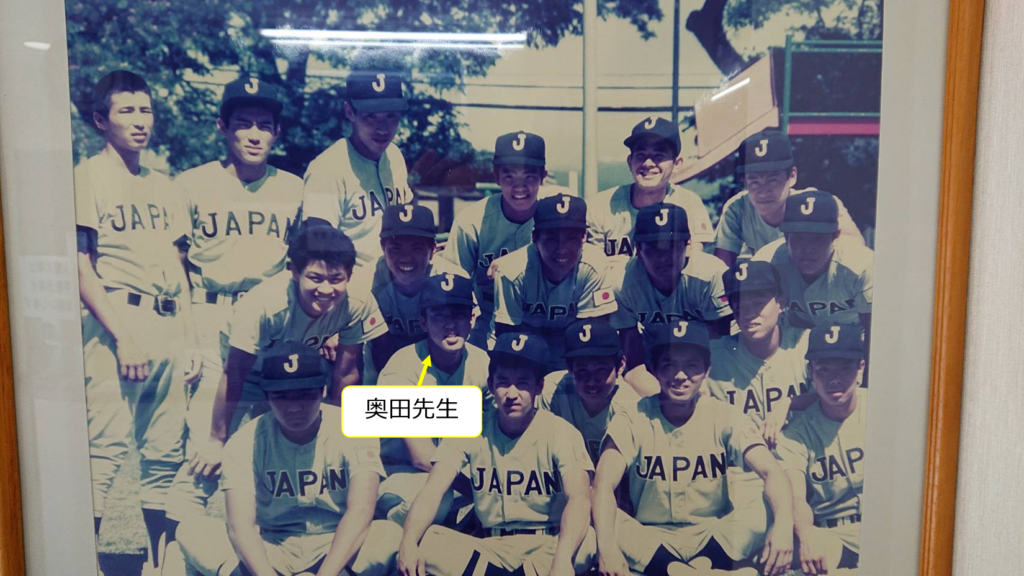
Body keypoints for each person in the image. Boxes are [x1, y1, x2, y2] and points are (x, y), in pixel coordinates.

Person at [165, 75, 303, 540]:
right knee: (205, 444)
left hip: (271, 324)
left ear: (277, 132)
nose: (254, 134)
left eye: (264, 124)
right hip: (210, 313)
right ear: (223, 127)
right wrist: (188, 339)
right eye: (243, 123)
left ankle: (264, 552)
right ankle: (174, 558)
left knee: (271, 443)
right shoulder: (192, 183)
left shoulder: (293, 187)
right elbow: (176, 265)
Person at [74, 70, 199, 574]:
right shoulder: (86, 176)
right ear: (100, 120)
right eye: (126, 111)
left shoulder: (164, 184)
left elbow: (178, 267)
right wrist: (123, 338)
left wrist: (191, 340)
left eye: (145, 109)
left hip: (167, 319)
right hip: (116, 319)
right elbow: (81, 267)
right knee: (104, 447)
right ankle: (80, 561)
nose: (139, 120)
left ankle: (157, 562)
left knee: (165, 453)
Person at [186, 224, 387, 513]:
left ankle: (274, 530)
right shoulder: (265, 303)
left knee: (283, 461)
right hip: (233, 372)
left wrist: (339, 428)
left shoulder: (357, 301)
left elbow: (347, 371)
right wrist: (218, 439)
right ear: (294, 271)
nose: (326, 289)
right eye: (315, 278)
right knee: (202, 463)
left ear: (350, 275)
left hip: (288, 382)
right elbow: (234, 373)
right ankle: (177, 535)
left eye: (336, 279)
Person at [176, 342, 402, 576]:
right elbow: (240, 526)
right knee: (193, 531)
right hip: (273, 547)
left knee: (388, 533)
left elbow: (360, 511)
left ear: (323, 390)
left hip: (336, 542)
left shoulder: (354, 429)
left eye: (305, 394)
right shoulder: (245, 441)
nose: (294, 407)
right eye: (282, 396)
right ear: (266, 397)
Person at [591, 321, 795, 576]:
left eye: (691, 366)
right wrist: (607, 548)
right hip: (650, 536)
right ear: (654, 369)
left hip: (714, 534)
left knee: (767, 506)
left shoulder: (724, 414)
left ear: (707, 370)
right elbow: (603, 484)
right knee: (601, 512)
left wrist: (784, 526)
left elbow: (772, 471)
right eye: (669, 365)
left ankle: (679, 570)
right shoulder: (632, 417)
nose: (680, 375)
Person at [397, 333, 597, 576]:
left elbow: (579, 498)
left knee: (587, 541)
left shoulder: (561, 432)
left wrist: (562, 560)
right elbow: (433, 490)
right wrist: (408, 542)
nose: (512, 394)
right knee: (428, 541)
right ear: (491, 385)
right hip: (490, 547)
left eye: (522, 383)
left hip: (547, 544)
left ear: (539, 387)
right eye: (503, 382)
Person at [375, 272, 491, 525]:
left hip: (457, 472)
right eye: (439, 315)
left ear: (472, 319)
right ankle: (385, 527)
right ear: (423, 322)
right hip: (402, 474)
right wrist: (481, 490)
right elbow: (421, 455)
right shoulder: (402, 368)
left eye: (458, 314)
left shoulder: (482, 363)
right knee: (438, 497)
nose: (451, 324)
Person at [442, 131, 551, 349]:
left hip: (544, 318)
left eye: (529, 176)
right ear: (496, 176)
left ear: (543, 176)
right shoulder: (471, 221)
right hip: (485, 316)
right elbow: (453, 283)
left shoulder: (555, 215)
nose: (519, 187)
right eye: (509, 176)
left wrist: (514, 261)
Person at [610, 204, 731, 396]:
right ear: (638, 250)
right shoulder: (621, 283)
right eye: (652, 248)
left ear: (688, 246)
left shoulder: (712, 275)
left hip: (706, 366)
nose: (663, 258)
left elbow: (721, 349)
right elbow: (634, 364)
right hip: (655, 362)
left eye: (671, 247)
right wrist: (664, 398)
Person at [777, 324, 867, 575]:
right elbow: (796, 497)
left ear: (861, 367)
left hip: (884, 526)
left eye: (844, 368)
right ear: (810, 372)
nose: (834, 379)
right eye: (824, 370)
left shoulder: (882, 409)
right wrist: (807, 534)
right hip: (833, 534)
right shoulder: (796, 433)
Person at [301, 70, 413, 272]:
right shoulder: (327, 168)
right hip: (353, 281)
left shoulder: (394, 155)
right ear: (349, 112)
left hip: (396, 279)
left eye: (391, 116)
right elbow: (318, 248)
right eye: (370, 116)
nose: (382, 128)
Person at [493, 194, 618, 372]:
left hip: (570, 350)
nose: (562, 249)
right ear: (535, 238)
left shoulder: (594, 265)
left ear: (584, 237)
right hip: (524, 348)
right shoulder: (512, 271)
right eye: (551, 238)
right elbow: (508, 339)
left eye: (571, 238)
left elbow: (592, 338)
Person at [713, 130, 863, 267]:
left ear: (791, 176)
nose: (763, 191)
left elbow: (857, 251)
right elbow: (721, 269)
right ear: (744, 183)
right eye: (754, 181)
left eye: (772, 180)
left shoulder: (817, 203)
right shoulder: (737, 209)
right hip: (771, 285)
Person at [587, 116, 713, 268]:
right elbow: (593, 269)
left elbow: (693, 263)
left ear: (676, 164)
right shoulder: (600, 206)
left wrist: (626, 266)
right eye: (641, 155)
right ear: (630, 162)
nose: (648, 163)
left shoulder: (689, 203)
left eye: (658, 156)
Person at [365, 204, 468, 376]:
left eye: (417, 248)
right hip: (382, 361)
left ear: (433, 249)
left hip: (437, 362)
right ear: (383, 248)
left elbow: (464, 336)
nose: (406, 257)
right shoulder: (365, 280)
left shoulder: (453, 278)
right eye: (396, 248)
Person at [751, 191, 873, 334]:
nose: (808, 249)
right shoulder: (766, 263)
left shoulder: (861, 265)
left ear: (835, 236)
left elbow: (875, 329)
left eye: (818, 238)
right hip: (797, 339)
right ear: (786, 237)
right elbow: (750, 317)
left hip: (856, 338)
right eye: (799, 238)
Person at [538, 318, 638, 464]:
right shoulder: (551, 391)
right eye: (582, 370)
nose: (591, 381)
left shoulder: (631, 405)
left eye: (601, 370)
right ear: (569, 367)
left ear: (620, 365)